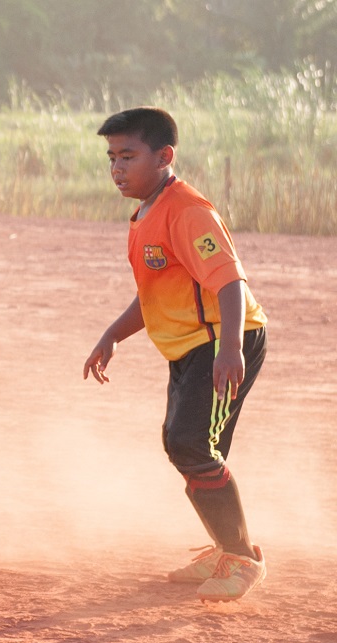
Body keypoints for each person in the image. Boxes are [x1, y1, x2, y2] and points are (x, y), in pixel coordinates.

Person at [84, 107, 269, 602]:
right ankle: (227, 546)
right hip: (193, 346)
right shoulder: (145, 212)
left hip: (224, 340)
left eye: (128, 156)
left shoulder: (188, 210)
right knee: (191, 446)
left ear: (164, 156)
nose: (117, 168)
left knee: (187, 444)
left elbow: (229, 280)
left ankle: (241, 559)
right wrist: (112, 335)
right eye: (111, 157)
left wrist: (229, 349)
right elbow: (154, 293)